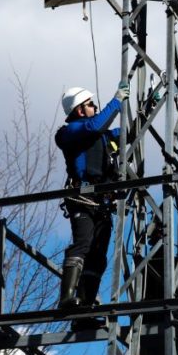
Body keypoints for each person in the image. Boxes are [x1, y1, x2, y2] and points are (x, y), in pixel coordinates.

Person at [55, 82, 130, 326]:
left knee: (98, 255)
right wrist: (116, 101)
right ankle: (67, 299)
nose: (95, 108)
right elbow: (95, 125)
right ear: (79, 110)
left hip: (101, 202)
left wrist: (147, 109)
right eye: (90, 105)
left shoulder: (100, 135)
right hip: (82, 199)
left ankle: (84, 309)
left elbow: (127, 133)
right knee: (83, 244)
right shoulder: (70, 132)